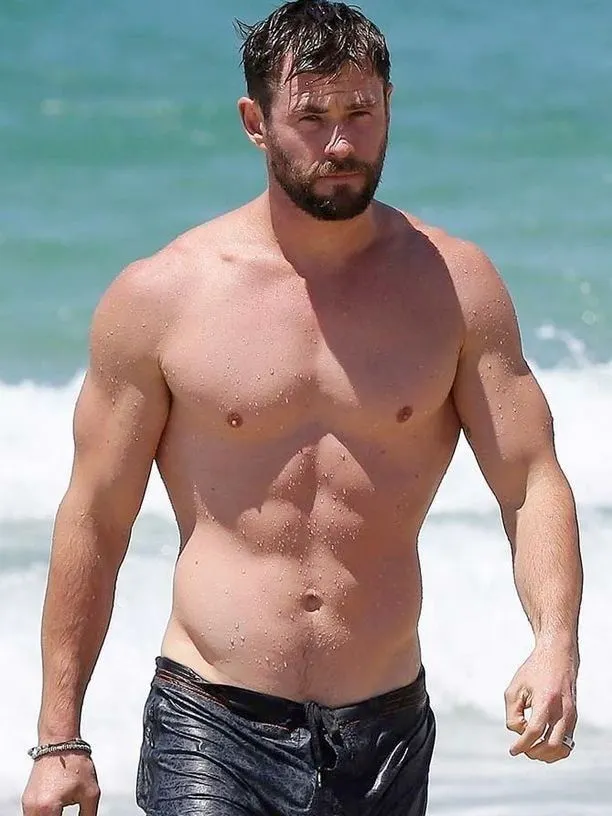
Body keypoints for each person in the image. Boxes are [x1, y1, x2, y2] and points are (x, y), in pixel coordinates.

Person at [22, 1, 583, 814]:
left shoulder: (456, 288)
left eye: (360, 112)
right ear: (256, 123)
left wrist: (555, 643)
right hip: (210, 725)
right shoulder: (163, 297)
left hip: (386, 734)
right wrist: (59, 739)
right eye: (312, 118)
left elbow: (530, 481)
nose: (341, 143)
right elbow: (96, 517)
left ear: (390, 106)